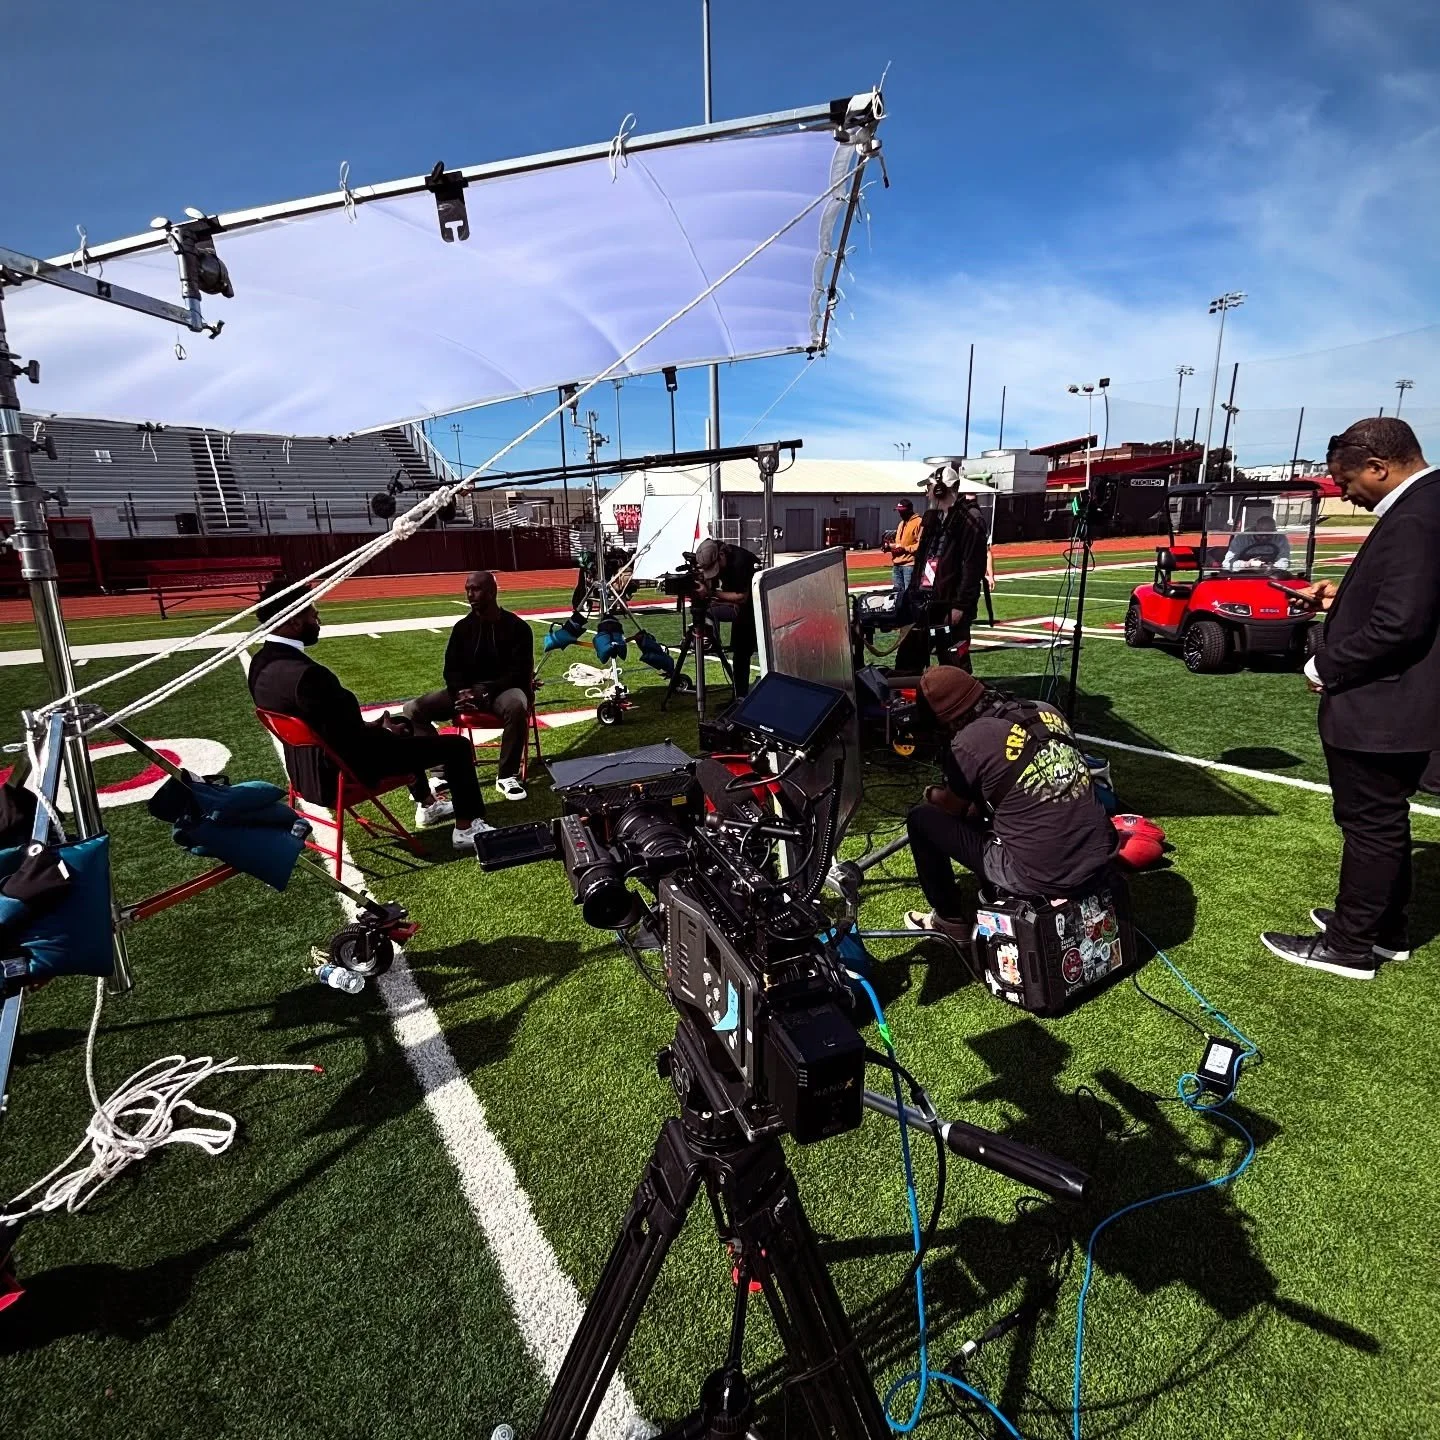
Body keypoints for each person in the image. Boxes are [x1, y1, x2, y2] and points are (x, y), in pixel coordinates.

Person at [1260, 418, 1440, 978]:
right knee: (1384, 820)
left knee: (1371, 823)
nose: (1344, 494)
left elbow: (1399, 625)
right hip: (1404, 703)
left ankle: (1349, 943)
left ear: (1379, 467)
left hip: (1385, 705)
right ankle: (1383, 927)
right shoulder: (1428, 507)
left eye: (1346, 482)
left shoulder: (1416, 516)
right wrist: (1344, 601)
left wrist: (1324, 662)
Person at [247, 578, 491, 850]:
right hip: (342, 773)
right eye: (313, 616)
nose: (318, 622)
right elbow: (350, 743)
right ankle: (467, 829)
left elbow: (330, 727)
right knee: (456, 747)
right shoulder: (308, 676)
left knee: (403, 723)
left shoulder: (259, 665)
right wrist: (385, 733)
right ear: (293, 622)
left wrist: (380, 727)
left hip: (305, 772)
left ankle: (428, 804)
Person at [903, 667, 1117, 938]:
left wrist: (931, 794)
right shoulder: (1045, 709)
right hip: (1099, 857)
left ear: (946, 720)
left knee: (921, 819)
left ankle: (949, 919)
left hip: (1044, 874)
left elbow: (952, 808)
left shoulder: (968, 743)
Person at [402, 570, 535, 801]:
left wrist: (486, 691)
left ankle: (506, 775)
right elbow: (451, 668)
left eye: (476, 589)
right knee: (412, 710)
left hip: (501, 691)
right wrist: (460, 691)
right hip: (467, 691)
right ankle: (441, 772)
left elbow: (519, 673)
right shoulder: (462, 628)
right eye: (467, 590)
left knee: (516, 705)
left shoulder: (517, 627)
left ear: (492, 592)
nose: (470, 595)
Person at [896, 466, 989, 673]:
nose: (927, 492)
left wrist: (960, 606)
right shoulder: (932, 517)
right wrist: (913, 594)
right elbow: (922, 559)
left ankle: (959, 701)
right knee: (907, 662)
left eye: (929, 487)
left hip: (950, 606)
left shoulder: (970, 519)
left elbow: (973, 567)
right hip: (926, 602)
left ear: (940, 489)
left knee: (954, 666)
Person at [693, 537, 761, 697]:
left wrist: (710, 593)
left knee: (742, 652)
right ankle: (739, 696)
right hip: (742, 608)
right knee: (739, 654)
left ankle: (742, 698)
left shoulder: (740, 563)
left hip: (754, 608)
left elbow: (742, 597)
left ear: (721, 555)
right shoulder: (724, 558)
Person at [1222, 513, 1291, 571]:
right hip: (1243, 574)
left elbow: (1284, 561)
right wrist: (1247, 564)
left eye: (1268, 535)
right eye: (1261, 535)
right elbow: (1227, 564)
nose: (1264, 538)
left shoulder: (1280, 538)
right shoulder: (1242, 539)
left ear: (1274, 532)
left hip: (1270, 574)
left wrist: (1272, 566)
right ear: (1255, 530)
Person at [883, 499, 923, 595]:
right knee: (897, 594)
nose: (900, 513)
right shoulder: (901, 523)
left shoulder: (919, 522)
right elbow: (899, 543)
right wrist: (890, 547)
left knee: (909, 594)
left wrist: (905, 549)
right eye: (899, 511)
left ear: (909, 510)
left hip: (909, 564)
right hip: (897, 564)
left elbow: (921, 544)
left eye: (902, 511)